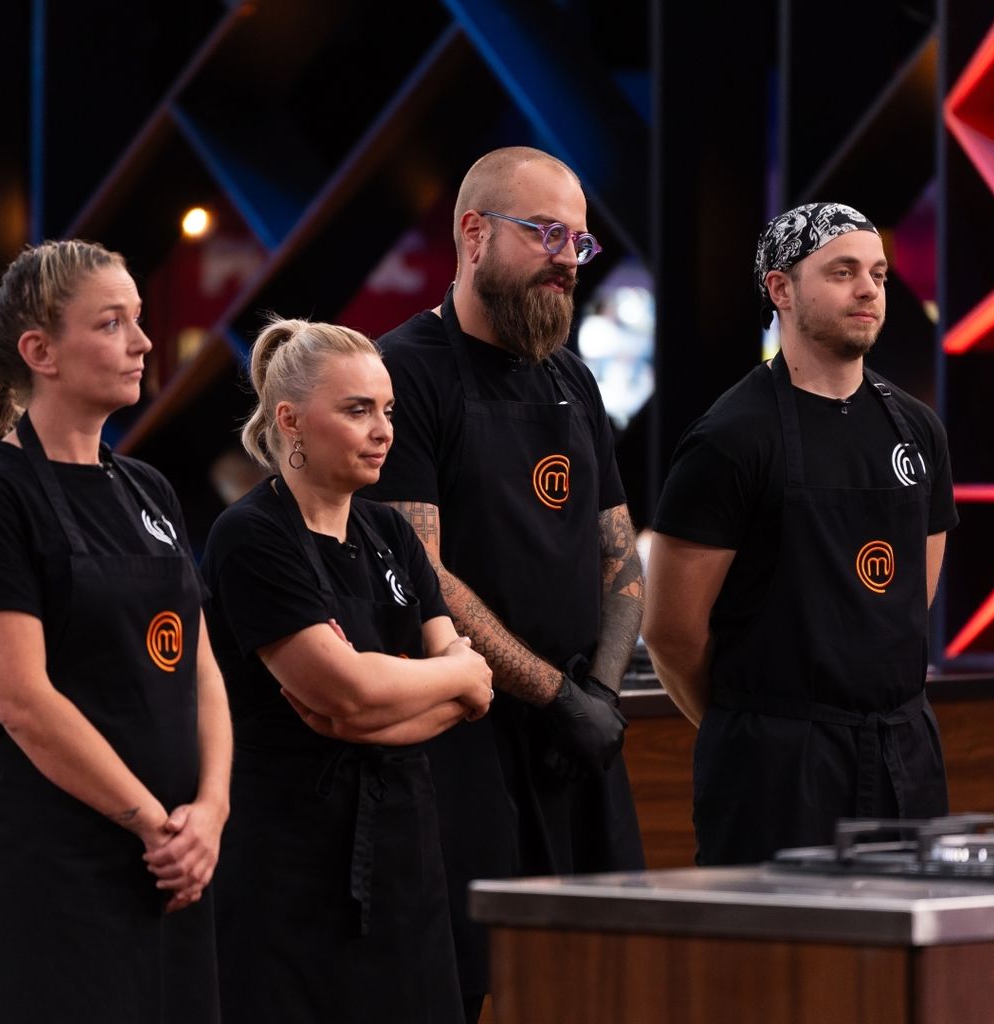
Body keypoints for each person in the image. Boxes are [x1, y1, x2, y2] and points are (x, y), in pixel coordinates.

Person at [366, 145, 646, 1020]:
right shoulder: (404, 374)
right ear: (474, 234)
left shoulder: (573, 379)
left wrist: (599, 695)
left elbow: (620, 556)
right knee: (459, 987)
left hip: (580, 741)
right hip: (462, 739)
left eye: (580, 243)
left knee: (604, 986)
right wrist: (555, 695)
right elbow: (423, 572)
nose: (569, 259)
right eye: (547, 234)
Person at [0, 240, 231, 1022]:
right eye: (111, 323)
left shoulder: (149, 488)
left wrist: (211, 812)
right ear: (41, 352)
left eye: (139, 319)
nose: (143, 342)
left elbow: (200, 668)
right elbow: (22, 701)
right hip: (55, 873)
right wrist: (156, 825)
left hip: (170, 872)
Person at [642, 202, 958, 866]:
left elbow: (911, 599)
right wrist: (757, 725)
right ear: (780, 288)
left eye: (877, 273)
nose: (868, 289)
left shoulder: (918, 430)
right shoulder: (730, 438)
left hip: (904, 753)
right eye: (843, 272)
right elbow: (670, 632)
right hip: (776, 769)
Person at [201, 317, 494, 1024]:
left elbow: (474, 687)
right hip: (288, 865)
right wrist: (435, 678)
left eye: (387, 411)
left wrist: (396, 696)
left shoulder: (391, 531)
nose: (383, 430)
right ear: (290, 420)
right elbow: (349, 690)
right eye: (358, 410)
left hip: (405, 854)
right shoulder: (251, 535)